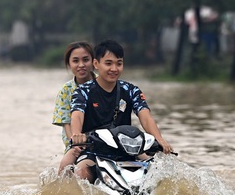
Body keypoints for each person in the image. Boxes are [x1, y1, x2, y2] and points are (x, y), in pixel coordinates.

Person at [70, 39, 174, 182]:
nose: (114, 68)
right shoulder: (83, 91)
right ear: (96, 64)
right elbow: (77, 115)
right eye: (108, 63)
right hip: (93, 150)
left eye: (119, 63)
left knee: (160, 170)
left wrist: (160, 139)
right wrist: (77, 134)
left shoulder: (131, 90)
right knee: (81, 172)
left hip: (126, 148)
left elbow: (146, 116)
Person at [52, 41, 95, 174]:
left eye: (85, 60)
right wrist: (76, 143)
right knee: (65, 166)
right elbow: (66, 123)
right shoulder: (65, 91)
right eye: (76, 61)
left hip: (103, 139)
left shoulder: (102, 84)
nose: (81, 65)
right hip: (75, 142)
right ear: (69, 64)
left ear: (94, 62)